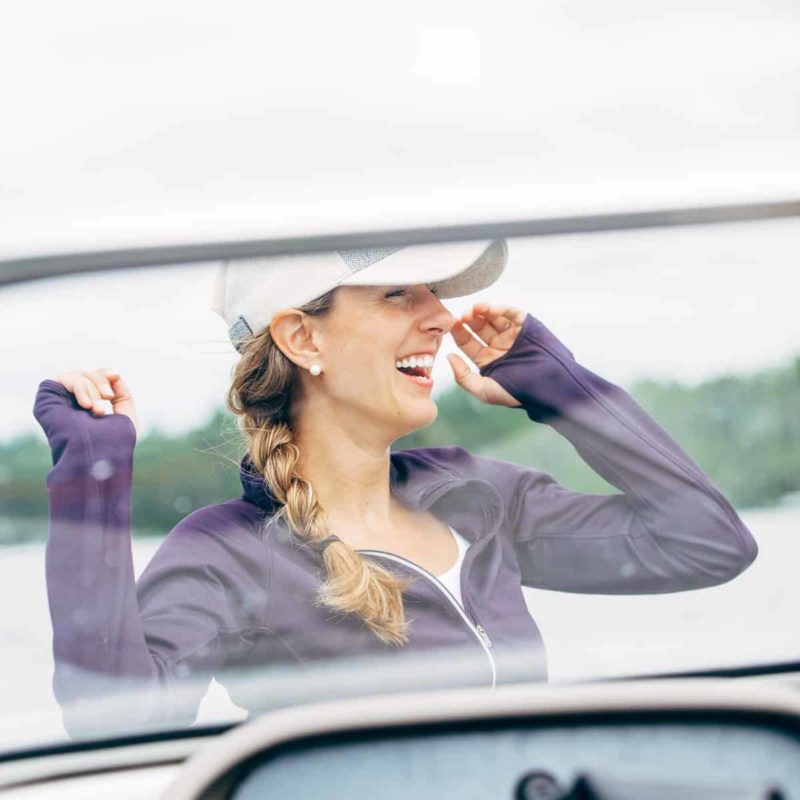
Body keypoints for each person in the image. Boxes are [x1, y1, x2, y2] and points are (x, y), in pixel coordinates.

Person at [33, 239, 758, 734]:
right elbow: (114, 719)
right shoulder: (226, 553)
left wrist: (555, 382)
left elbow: (705, 543)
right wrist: (91, 478)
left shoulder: (477, 494)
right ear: (302, 338)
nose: (441, 316)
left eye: (436, 293)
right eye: (397, 293)